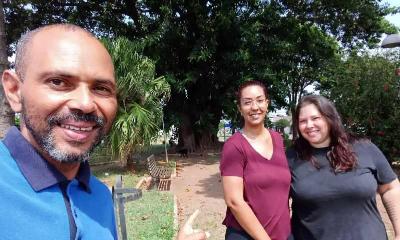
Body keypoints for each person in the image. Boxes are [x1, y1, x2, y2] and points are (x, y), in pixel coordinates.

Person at [1, 23, 207, 240]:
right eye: (58, 82)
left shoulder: (99, 195)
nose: (85, 104)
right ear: (14, 91)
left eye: (101, 88)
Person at [287, 95, 400, 240]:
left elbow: (391, 188)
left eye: (315, 118)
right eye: (303, 121)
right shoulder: (290, 158)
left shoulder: (365, 148)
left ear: (330, 117)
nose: (309, 125)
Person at [220, 80, 291, 240]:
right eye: (247, 102)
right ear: (240, 108)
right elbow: (234, 201)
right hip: (246, 235)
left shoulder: (277, 139)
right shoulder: (234, 146)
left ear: (267, 104)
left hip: (283, 234)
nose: (254, 107)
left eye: (259, 100)